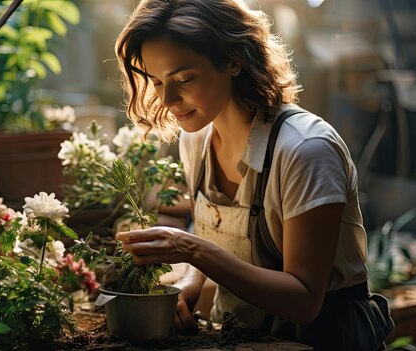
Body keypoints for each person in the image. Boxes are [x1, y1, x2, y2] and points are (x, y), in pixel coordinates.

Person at [113, 0, 395, 350]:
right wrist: (191, 280)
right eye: (156, 81)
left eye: (184, 78)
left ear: (234, 61)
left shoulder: (305, 150)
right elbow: (215, 238)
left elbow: (304, 302)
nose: (168, 98)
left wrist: (191, 250)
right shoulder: (196, 140)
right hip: (242, 338)